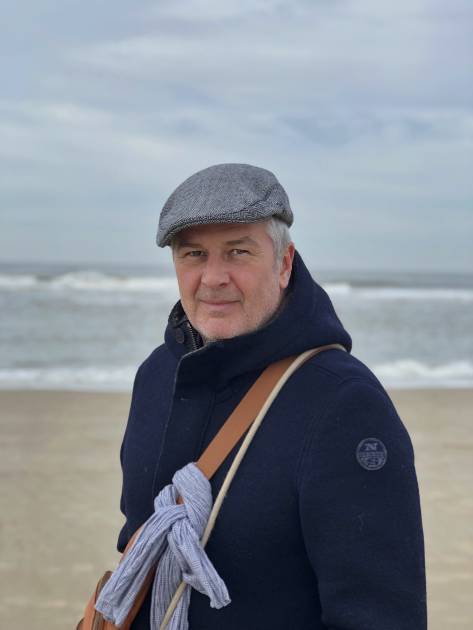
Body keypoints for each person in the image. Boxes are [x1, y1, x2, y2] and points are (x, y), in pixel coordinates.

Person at [116, 163, 427, 629]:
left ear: (284, 264)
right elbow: (135, 543)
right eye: (194, 254)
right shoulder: (157, 376)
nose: (213, 277)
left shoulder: (344, 403)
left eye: (238, 252)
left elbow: (381, 616)